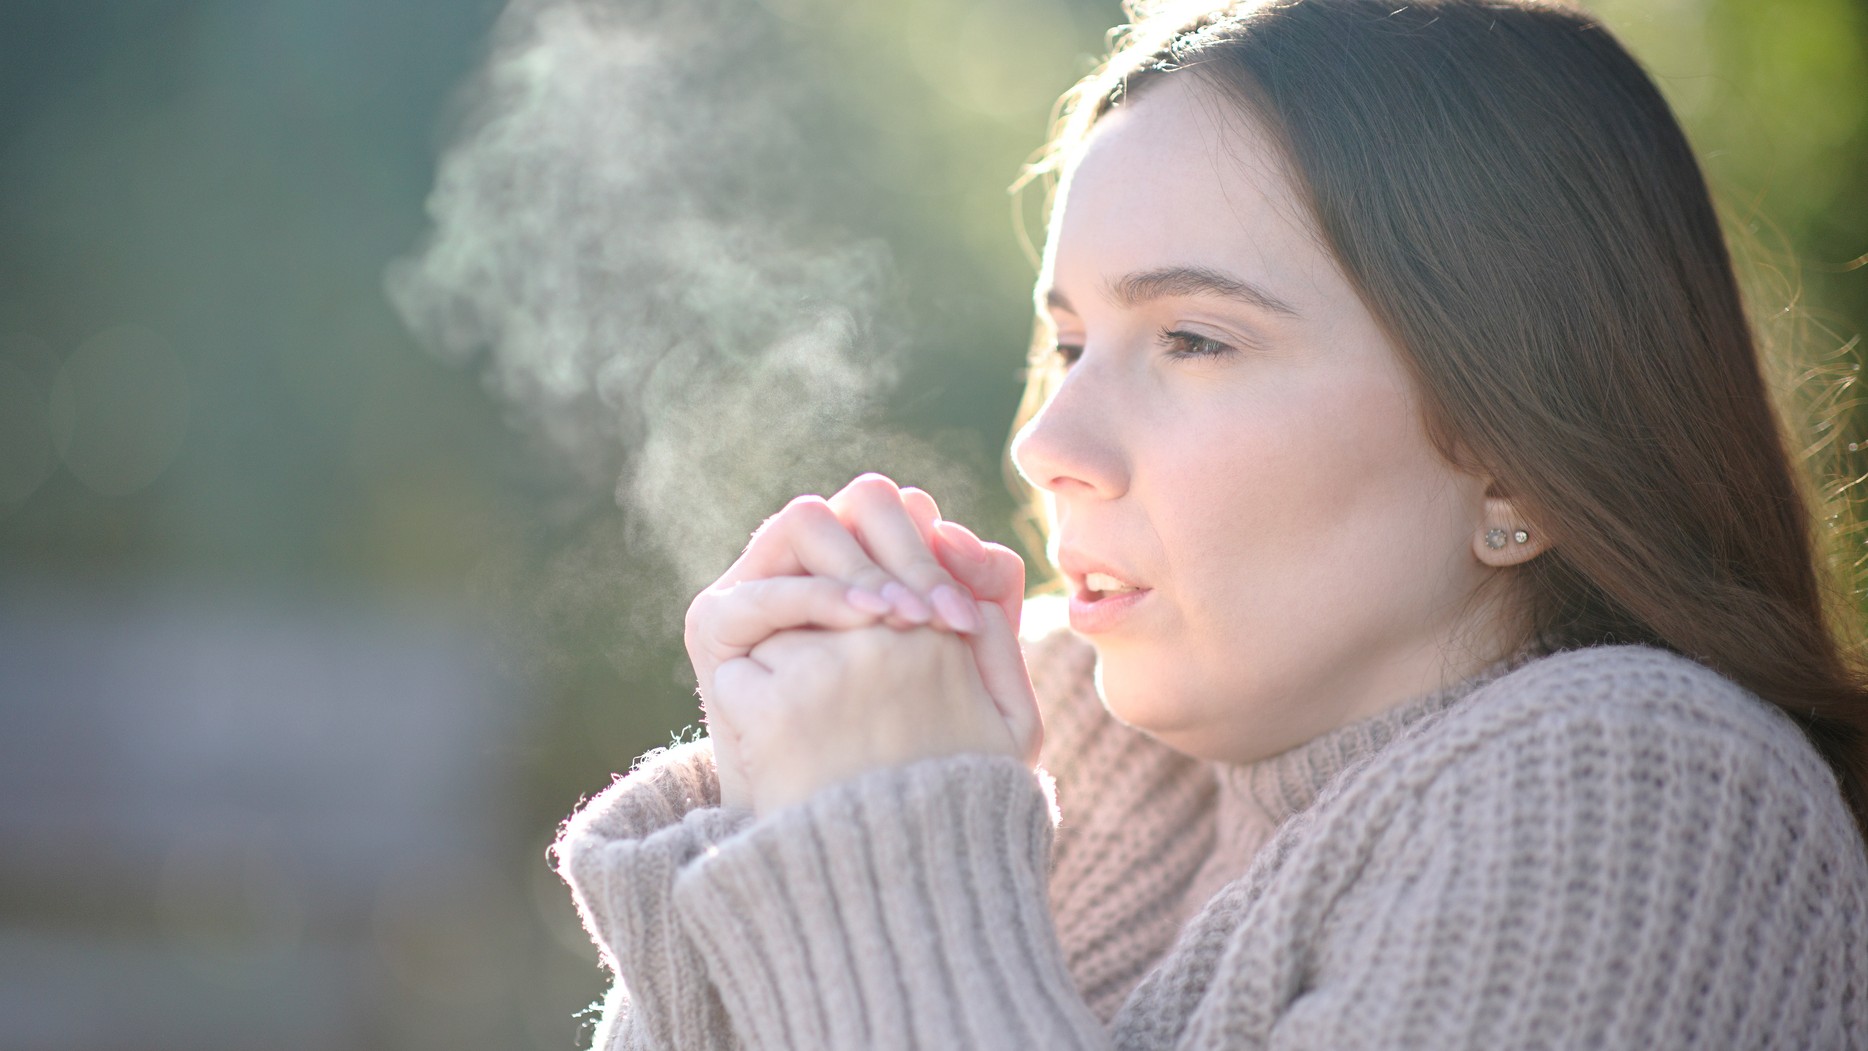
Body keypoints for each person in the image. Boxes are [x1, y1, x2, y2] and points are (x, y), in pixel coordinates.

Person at [551, 0, 1868, 1046]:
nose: (1046, 443)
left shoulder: (1644, 797)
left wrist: (890, 845)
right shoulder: (1063, 749)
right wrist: (769, 820)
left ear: (1515, 461)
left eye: (1191, 339)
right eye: (1068, 343)